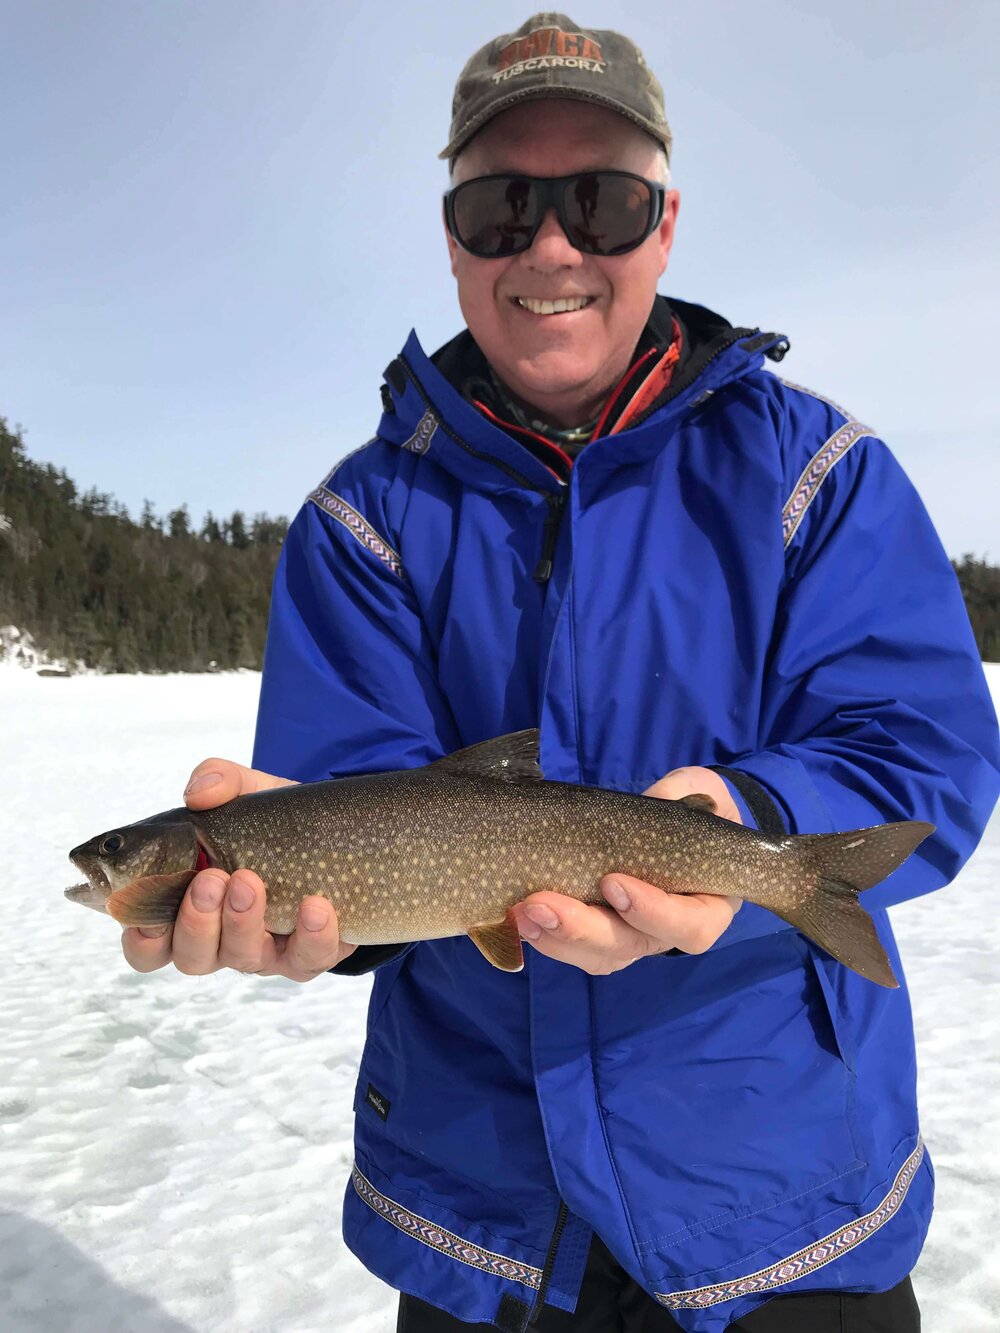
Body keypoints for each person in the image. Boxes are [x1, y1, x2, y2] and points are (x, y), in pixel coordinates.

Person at [123, 15, 1000, 1332]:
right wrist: (306, 912)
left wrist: (751, 829)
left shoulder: (822, 476)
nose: (549, 247)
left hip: (784, 1196)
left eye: (598, 200)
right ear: (453, 231)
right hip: (481, 1221)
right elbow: (359, 799)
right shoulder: (359, 522)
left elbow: (924, 750)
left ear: (663, 221)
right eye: (501, 207)